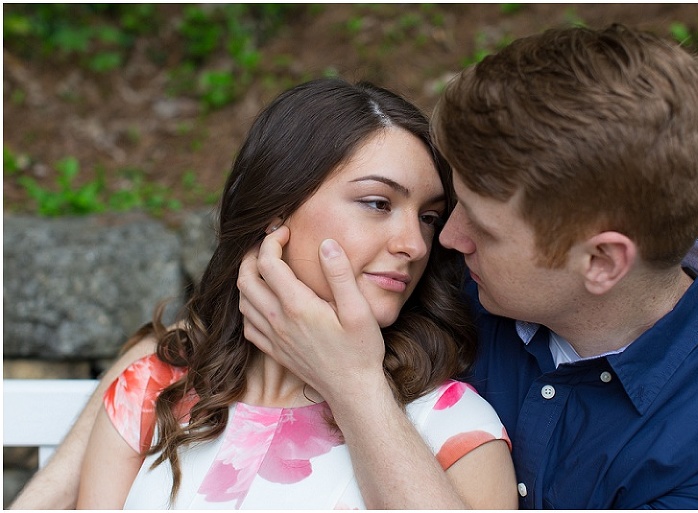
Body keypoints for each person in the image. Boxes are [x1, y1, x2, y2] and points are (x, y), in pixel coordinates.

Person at [236, 24, 698, 509]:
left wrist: (354, 386)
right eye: (450, 206)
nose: (440, 240)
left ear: (601, 261)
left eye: (483, 228)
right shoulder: (463, 276)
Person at [73, 78, 516, 509]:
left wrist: (356, 385)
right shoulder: (154, 391)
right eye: (378, 203)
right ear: (275, 209)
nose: (415, 245)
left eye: (429, 216)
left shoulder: (454, 427)